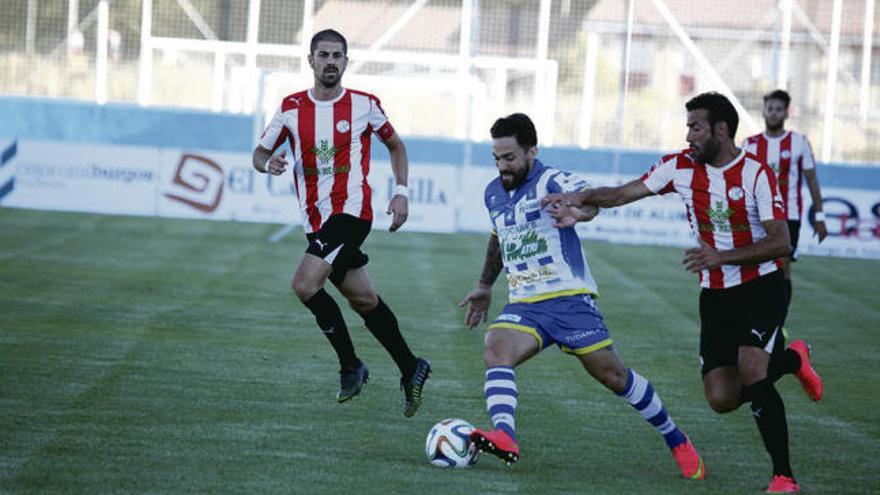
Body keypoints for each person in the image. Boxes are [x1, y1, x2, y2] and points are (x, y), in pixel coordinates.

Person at [542, 93, 824, 493]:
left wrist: (721, 256)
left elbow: (780, 243)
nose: (688, 133)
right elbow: (623, 193)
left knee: (752, 368)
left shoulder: (757, 174)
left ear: (721, 130)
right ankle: (793, 358)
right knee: (722, 398)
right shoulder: (679, 166)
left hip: (761, 286)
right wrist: (578, 198)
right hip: (715, 295)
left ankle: (783, 476)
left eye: (696, 126)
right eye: (688, 125)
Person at [458, 113, 705, 480]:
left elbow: (589, 202)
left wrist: (578, 212)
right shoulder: (493, 192)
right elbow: (499, 238)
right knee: (496, 346)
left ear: (531, 150)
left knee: (614, 377)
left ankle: (676, 438)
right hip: (525, 303)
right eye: (496, 158)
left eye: (509, 157)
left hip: (569, 298)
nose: (502, 165)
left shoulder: (553, 179)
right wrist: (484, 285)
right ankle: (505, 436)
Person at [252, 29, 430, 417]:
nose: (331, 61)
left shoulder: (365, 105)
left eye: (338, 56)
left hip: (351, 212)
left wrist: (401, 190)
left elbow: (396, 145)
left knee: (304, 284)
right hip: (315, 221)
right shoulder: (291, 108)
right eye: (324, 55)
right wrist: (270, 163)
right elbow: (259, 153)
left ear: (346, 62)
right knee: (363, 299)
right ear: (311, 60)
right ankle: (410, 366)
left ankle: (351, 366)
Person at [743, 90, 827, 322]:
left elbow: (811, 179)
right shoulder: (750, 144)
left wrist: (819, 216)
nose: (773, 113)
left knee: (782, 268)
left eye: (778, 109)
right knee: (753, 267)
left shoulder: (799, 142)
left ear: (786, 113)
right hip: (757, 216)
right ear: (763, 111)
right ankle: (757, 317)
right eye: (770, 108)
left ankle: (778, 321)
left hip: (788, 215)